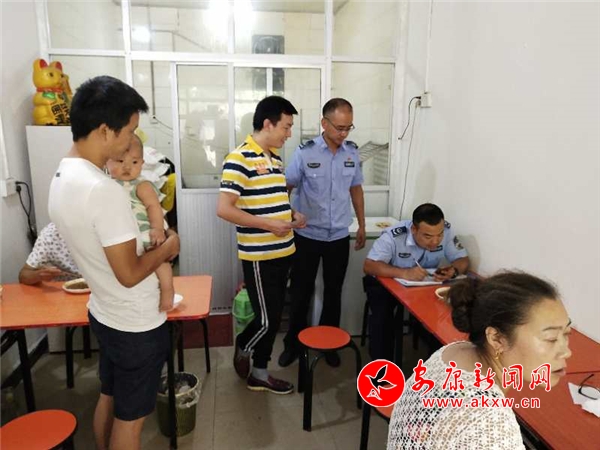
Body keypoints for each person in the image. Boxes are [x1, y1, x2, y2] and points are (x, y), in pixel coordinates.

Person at [48, 75, 180, 450]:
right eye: (130, 131)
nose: (132, 141)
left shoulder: (62, 177)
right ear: (106, 130)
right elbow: (129, 274)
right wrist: (169, 247)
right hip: (135, 323)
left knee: (108, 395)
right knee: (130, 421)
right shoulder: (103, 190)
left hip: (104, 313)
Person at [387, 271, 572, 449]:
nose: (566, 352)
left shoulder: (453, 352)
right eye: (551, 338)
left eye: (567, 333)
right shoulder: (491, 423)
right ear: (497, 339)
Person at [217, 95, 306, 394]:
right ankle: (243, 345)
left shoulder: (275, 158)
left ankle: (260, 373)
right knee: (267, 321)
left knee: (275, 315)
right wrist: (269, 225)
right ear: (268, 124)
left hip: (285, 251)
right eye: (286, 126)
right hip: (259, 255)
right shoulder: (239, 158)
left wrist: (292, 214)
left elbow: (276, 198)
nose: (289, 133)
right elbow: (224, 209)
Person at [279, 98, 366, 368]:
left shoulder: (351, 153)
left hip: (338, 236)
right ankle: (293, 344)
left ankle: (330, 344)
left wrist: (362, 225)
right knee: (301, 292)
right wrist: (285, 220)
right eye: (339, 127)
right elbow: (286, 188)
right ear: (324, 123)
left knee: (333, 292)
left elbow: (356, 189)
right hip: (306, 236)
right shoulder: (305, 153)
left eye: (348, 127)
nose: (344, 133)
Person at [364, 203, 470, 361]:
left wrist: (453, 270)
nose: (435, 241)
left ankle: (435, 364)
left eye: (439, 235)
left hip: (423, 285)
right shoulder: (394, 236)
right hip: (386, 283)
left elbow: (463, 260)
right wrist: (404, 273)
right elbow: (369, 265)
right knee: (383, 319)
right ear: (414, 229)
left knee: (444, 314)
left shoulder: (446, 231)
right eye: (428, 236)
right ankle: (382, 368)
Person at [106, 135, 174, 312]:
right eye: (120, 161)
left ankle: (167, 289)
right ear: (107, 161)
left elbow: (154, 207)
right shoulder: (106, 184)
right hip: (123, 232)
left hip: (145, 229)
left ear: (142, 163)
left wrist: (157, 229)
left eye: (134, 162)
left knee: (158, 259)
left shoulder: (142, 185)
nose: (127, 167)